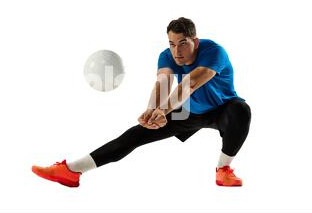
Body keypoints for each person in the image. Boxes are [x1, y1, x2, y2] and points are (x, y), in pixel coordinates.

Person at [32, 17, 251, 187]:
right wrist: (151, 111)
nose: (177, 51)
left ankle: (223, 170)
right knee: (137, 134)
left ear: (195, 41)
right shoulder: (167, 55)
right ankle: (72, 171)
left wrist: (163, 110)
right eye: (172, 44)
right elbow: (162, 84)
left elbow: (190, 84)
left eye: (182, 44)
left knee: (241, 110)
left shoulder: (214, 52)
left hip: (222, 110)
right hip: (188, 111)